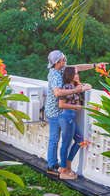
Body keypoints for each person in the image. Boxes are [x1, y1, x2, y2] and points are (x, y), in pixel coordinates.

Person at [45, 50, 104, 179]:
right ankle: (52, 166)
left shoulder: (63, 69)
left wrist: (94, 65)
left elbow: (77, 68)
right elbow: (57, 93)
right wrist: (77, 89)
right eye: (64, 59)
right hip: (55, 112)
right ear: (58, 62)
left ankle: (62, 166)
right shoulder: (54, 74)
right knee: (55, 140)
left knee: (66, 141)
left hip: (62, 112)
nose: (66, 61)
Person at [57, 66, 85, 180]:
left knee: (80, 140)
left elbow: (84, 91)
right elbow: (61, 105)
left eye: (78, 73)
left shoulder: (74, 86)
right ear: (70, 75)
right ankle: (63, 170)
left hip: (71, 118)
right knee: (66, 144)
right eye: (75, 74)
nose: (77, 75)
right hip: (66, 117)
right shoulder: (65, 88)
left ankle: (67, 165)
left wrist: (79, 83)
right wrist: (75, 106)